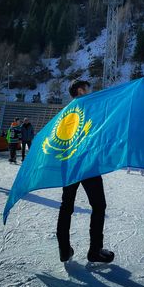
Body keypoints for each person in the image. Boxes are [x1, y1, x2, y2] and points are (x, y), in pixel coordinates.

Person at [56, 80, 114, 263]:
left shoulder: (65, 113)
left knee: (66, 207)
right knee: (99, 206)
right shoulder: (88, 109)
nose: (90, 92)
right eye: (87, 89)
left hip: (69, 165)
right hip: (87, 164)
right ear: (80, 91)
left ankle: (64, 250)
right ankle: (95, 251)